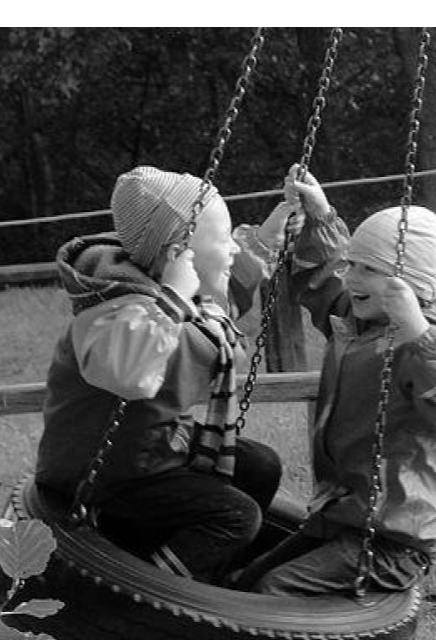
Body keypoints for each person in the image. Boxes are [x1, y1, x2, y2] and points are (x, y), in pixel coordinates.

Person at [177, 165, 436, 640]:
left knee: (275, 598)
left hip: (394, 534)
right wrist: (319, 218)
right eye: (355, 265)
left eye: (369, 270)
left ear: (413, 287)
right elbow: (322, 282)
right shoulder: (363, 319)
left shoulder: (435, 341)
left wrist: (418, 330)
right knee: (243, 585)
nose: (353, 277)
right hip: (342, 512)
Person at [35, 165, 292, 586]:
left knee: (260, 466)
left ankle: (207, 568)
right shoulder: (116, 310)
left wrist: (265, 240)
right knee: (236, 517)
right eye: (223, 239)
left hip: (152, 452)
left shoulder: (182, 294)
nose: (231, 248)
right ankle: (161, 591)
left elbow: (224, 297)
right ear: (178, 256)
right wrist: (170, 302)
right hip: (103, 475)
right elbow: (130, 376)